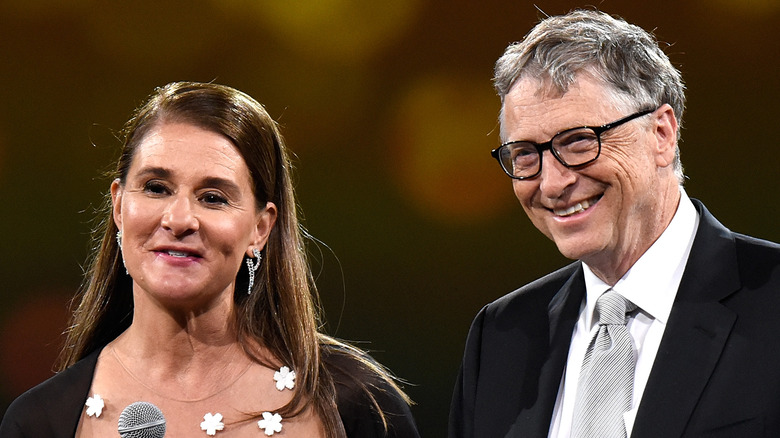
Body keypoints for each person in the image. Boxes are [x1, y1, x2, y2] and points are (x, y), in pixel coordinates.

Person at [1, 81, 420, 438]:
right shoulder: (40, 422)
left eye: (213, 198)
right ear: (118, 207)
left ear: (261, 228)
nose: (179, 219)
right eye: (155, 187)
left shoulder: (357, 404)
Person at [449, 9, 780, 438]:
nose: (552, 184)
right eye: (526, 155)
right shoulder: (501, 337)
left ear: (661, 134)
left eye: (580, 141)